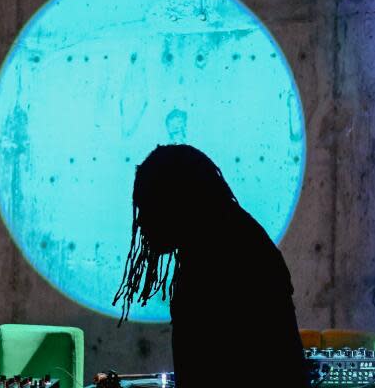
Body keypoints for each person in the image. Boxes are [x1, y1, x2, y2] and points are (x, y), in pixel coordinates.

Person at [114, 144, 309, 387]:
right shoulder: (228, 241)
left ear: (175, 201)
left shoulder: (226, 255)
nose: (141, 220)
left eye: (148, 206)